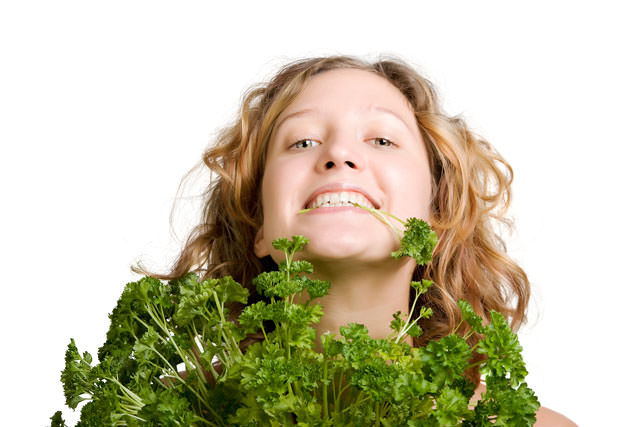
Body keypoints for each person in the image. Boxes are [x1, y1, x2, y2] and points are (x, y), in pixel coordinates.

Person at [134, 55, 576, 426]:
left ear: (438, 217)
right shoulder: (163, 416)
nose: (338, 155)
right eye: (302, 141)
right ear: (260, 227)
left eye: (382, 139)